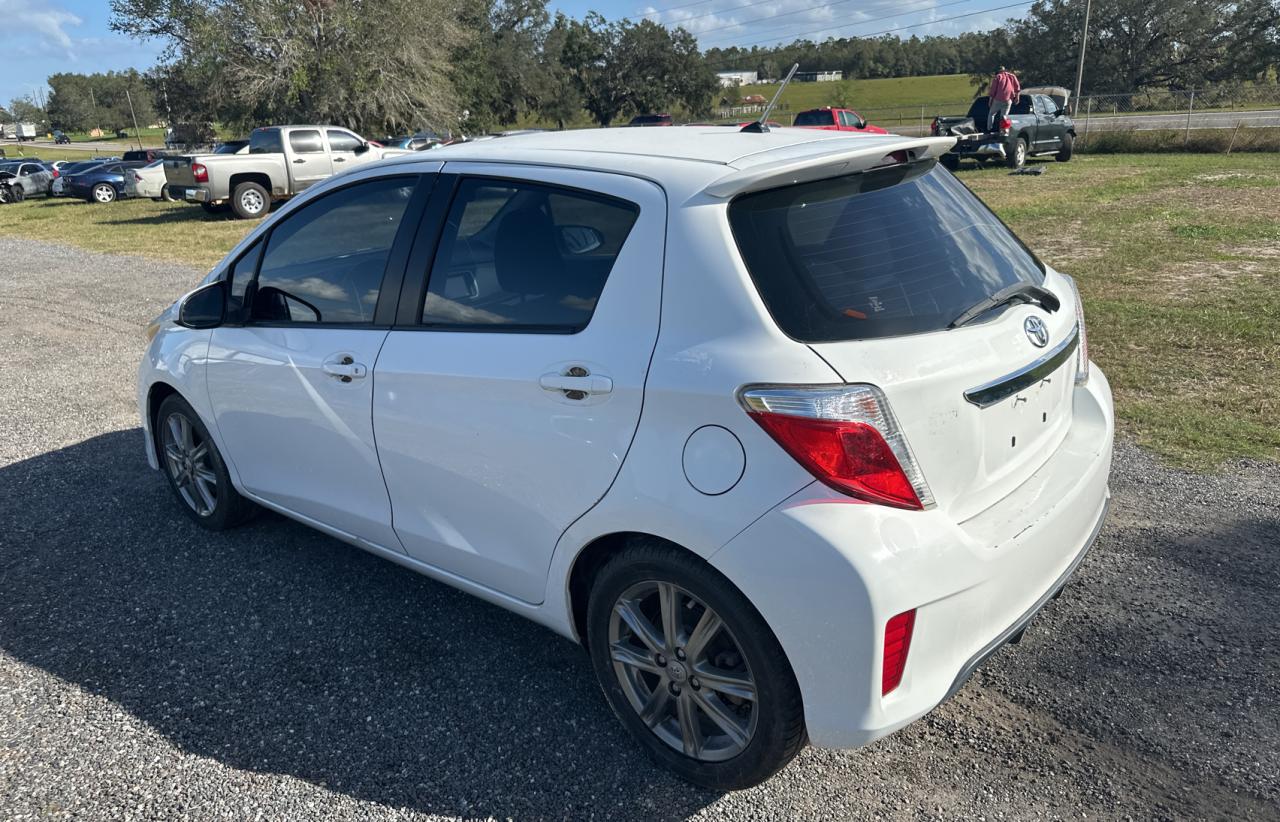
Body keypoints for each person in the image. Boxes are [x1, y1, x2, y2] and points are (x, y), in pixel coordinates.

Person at [988, 66, 1021, 131]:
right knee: (1004, 116)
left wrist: (990, 101)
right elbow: (1017, 88)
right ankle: (1004, 130)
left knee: (991, 114)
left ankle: (989, 129)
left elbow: (993, 90)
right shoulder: (1012, 76)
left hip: (998, 99)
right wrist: (1017, 97)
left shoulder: (997, 77)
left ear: (998, 71)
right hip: (1008, 100)